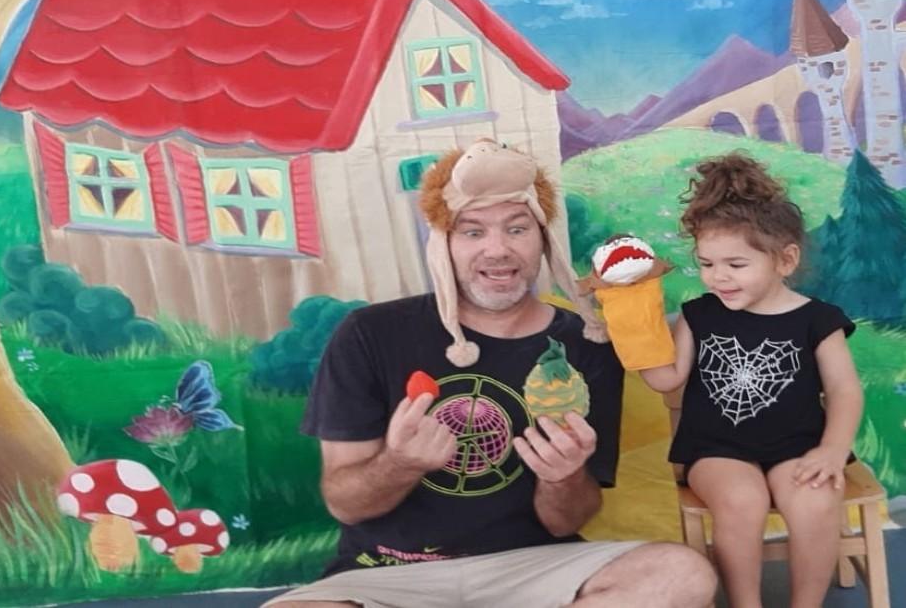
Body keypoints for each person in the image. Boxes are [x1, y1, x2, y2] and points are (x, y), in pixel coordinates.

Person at [263, 140, 716, 608]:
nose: (498, 250)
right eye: (472, 231)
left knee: (680, 574)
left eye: (517, 228)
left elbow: (567, 521)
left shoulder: (587, 342)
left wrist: (563, 477)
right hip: (388, 574)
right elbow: (345, 503)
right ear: (443, 243)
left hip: (532, 568)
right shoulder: (369, 333)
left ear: (543, 239)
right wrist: (400, 463)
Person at [639, 152, 864, 608]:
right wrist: (633, 329)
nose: (718, 277)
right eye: (707, 263)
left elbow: (844, 389)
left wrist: (832, 449)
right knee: (743, 500)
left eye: (736, 265)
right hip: (716, 449)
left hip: (798, 446)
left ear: (785, 260)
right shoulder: (698, 314)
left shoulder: (818, 320)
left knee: (816, 500)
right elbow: (666, 379)